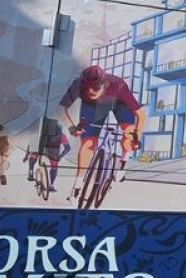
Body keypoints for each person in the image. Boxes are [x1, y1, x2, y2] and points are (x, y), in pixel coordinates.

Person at [59, 66, 144, 198]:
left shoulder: (118, 85)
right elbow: (61, 109)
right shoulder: (78, 84)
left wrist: (136, 137)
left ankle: (123, 163)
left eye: (95, 87)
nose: (91, 91)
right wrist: (72, 128)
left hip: (118, 102)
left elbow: (140, 115)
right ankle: (77, 185)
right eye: (87, 88)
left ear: (105, 84)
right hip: (93, 107)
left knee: (129, 134)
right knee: (88, 144)